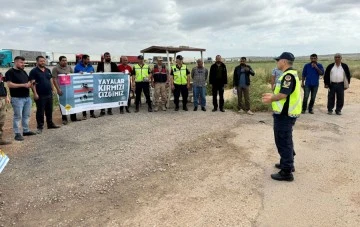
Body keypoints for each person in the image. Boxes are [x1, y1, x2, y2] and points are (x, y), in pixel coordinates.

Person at [262, 52, 301, 182]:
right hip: (286, 113)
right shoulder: (289, 74)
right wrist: (273, 96)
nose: (277, 62)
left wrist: (271, 98)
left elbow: (283, 94)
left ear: (284, 61)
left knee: (283, 141)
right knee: (285, 139)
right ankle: (287, 163)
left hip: (285, 115)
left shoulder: (288, 76)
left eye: (278, 60)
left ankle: (286, 171)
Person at [5, 56, 36, 141]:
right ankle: (17, 133)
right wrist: (23, 85)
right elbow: (9, 84)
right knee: (18, 116)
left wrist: (31, 82)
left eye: (23, 62)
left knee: (26, 115)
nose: (23, 64)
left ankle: (26, 131)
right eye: (21, 62)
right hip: (17, 98)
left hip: (27, 97)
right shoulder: (10, 72)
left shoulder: (23, 71)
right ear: (15, 62)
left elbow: (29, 81)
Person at [29, 56, 60, 134]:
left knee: (49, 110)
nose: (43, 62)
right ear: (37, 62)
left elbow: (50, 80)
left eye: (44, 61)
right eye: (41, 61)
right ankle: (40, 126)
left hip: (49, 94)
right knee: (40, 111)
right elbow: (32, 83)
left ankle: (50, 124)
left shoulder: (47, 70)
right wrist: (35, 93)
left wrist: (53, 89)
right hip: (40, 95)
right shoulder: (33, 71)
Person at [52, 56, 81, 124]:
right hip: (62, 89)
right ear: (59, 61)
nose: (65, 62)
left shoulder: (69, 67)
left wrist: (79, 74)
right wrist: (58, 89)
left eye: (66, 60)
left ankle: (73, 117)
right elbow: (54, 79)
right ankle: (64, 118)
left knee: (71, 102)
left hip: (70, 88)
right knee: (63, 103)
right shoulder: (55, 68)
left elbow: (73, 76)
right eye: (63, 60)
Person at [74, 54, 97, 119]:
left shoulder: (91, 66)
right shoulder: (77, 67)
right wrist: (78, 74)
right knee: (84, 99)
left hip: (90, 85)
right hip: (82, 85)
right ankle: (84, 114)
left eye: (89, 59)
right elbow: (73, 75)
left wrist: (93, 73)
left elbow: (94, 75)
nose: (89, 60)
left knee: (91, 98)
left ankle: (92, 113)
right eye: (87, 59)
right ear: (83, 59)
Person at [97, 52, 119, 116]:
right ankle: (102, 110)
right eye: (107, 56)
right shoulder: (100, 64)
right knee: (103, 96)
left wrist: (123, 73)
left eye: (109, 56)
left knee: (110, 96)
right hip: (103, 83)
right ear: (104, 57)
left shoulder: (113, 64)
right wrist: (100, 72)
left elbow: (118, 73)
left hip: (111, 83)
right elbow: (97, 73)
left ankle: (109, 110)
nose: (108, 57)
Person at [0, 72, 11, 145]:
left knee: (1, 121)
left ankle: (0, 139)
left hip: (3, 99)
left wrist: (6, 96)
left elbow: (3, 86)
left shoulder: (0, 75)